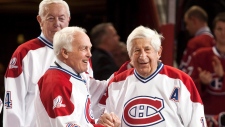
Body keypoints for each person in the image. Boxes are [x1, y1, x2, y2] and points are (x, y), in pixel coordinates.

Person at [99, 26, 207, 126]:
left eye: (147, 49)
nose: (142, 56)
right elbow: (105, 120)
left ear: (158, 52)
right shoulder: (116, 83)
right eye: (137, 51)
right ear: (130, 55)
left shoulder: (181, 81)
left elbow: (196, 121)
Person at [34, 26, 120, 127]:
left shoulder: (74, 75)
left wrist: (98, 122)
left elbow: (80, 120)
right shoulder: (56, 82)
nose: (89, 54)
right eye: (84, 48)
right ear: (65, 52)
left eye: (90, 48)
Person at [3, 0, 71, 126]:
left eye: (61, 18)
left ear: (68, 20)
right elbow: (12, 103)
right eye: (51, 18)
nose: (57, 24)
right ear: (40, 20)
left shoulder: (81, 53)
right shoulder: (25, 53)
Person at [188, 12, 225, 127]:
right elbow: (187, 87)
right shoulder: (200, 55)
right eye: (219, 29)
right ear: (213, 31)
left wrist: (223, 76)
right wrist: (201, 83)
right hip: (204, 117)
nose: (223, 33)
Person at [179, 5, 214, 74]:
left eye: (187, 23)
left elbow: (184, 71)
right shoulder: (216, 42)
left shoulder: (194, 43)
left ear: (194, 21)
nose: (187, 28)